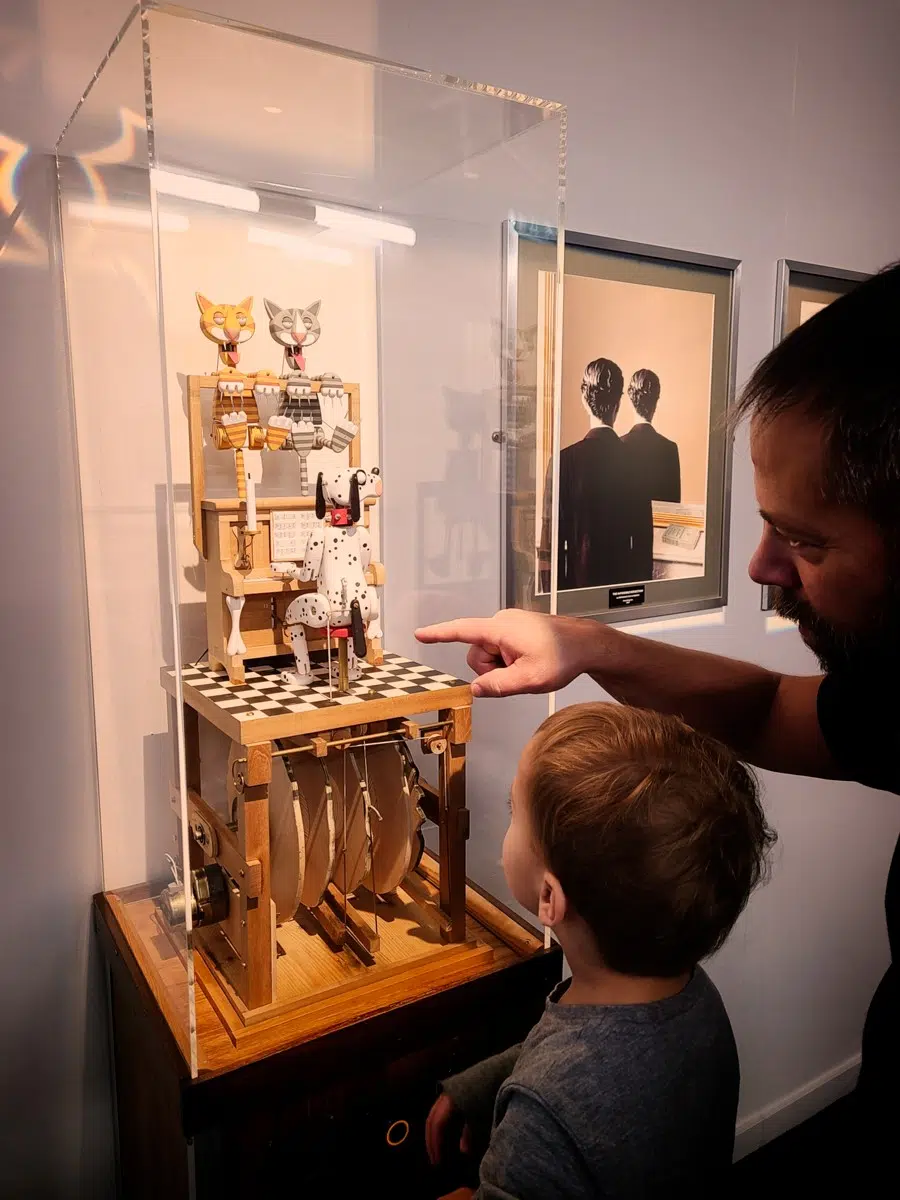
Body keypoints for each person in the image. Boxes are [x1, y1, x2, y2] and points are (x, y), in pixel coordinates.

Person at [417, 261, 900, 1169]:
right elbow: (768, 708)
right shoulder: (687, 1010)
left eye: (805, 540)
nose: (761, 568)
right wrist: (587, 644)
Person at [425, 702, 774, 1199]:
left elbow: (573, 1086)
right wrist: (483, 1085)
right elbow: (591, 1064)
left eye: (513, 812)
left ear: (549, 896)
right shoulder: (689, 994)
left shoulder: (539, 1130)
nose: (507, 824)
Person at [539, 357, 640, 591]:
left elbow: (549, 542)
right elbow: (641, 542)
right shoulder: (636, 462)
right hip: (622, 592)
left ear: (584, 400)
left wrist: (551, 593)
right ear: (619, 402)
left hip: (573, 589)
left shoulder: (563, 461)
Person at [621, 368, 681, 579]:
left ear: (630, 399)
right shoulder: (669, 449)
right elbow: (674, 505)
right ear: (656, 399)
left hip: (624, 547)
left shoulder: (618, 446)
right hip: (661, 548)